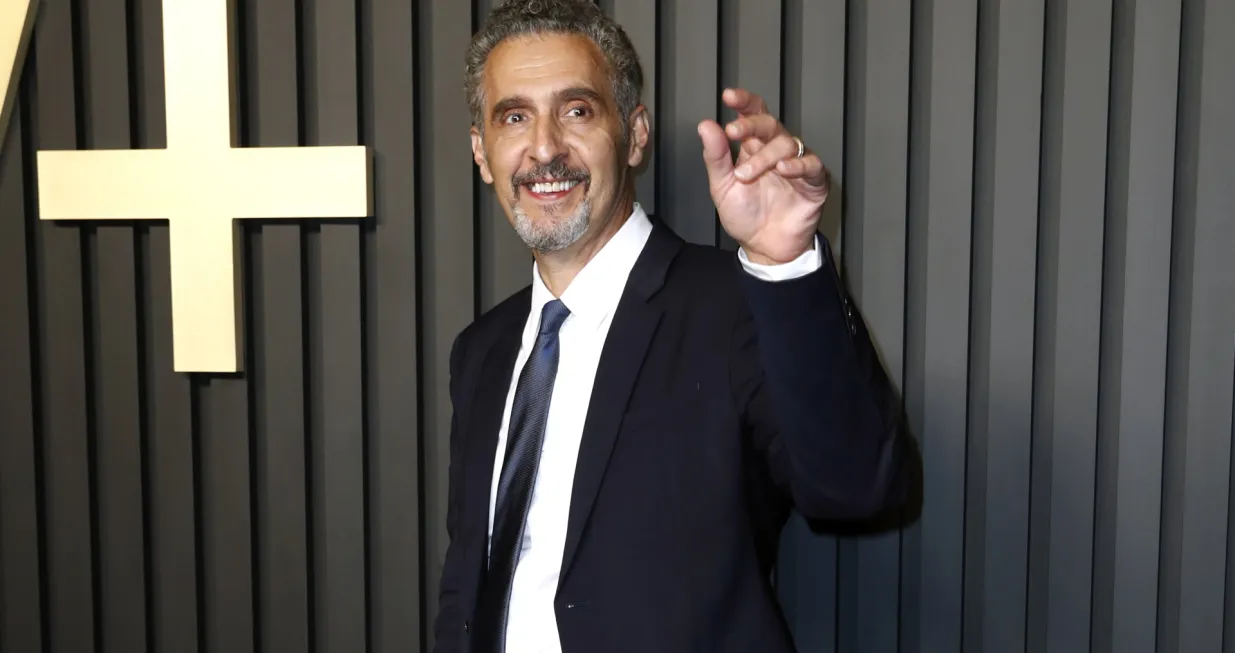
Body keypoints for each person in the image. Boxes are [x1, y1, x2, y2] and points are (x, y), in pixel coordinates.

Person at [434, 1, 907, 651]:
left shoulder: (734, 305)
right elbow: (469, 582)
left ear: (634, 134)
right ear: (482, 152)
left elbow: (856, 489)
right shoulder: (480, 351)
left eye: (576, 110)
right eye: (513, 117)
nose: (543, 147)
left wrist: (787, 265)